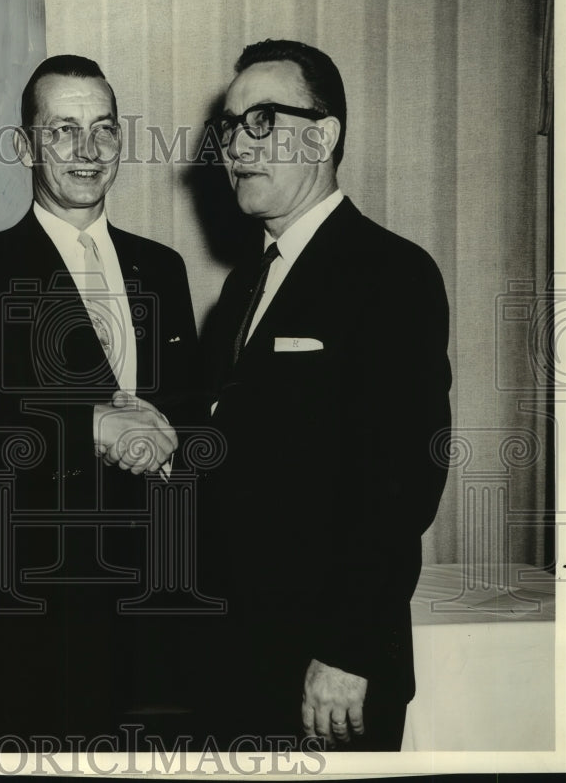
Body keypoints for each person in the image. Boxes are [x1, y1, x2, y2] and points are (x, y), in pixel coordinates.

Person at [0, 55, 200, 741]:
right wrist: (86, 426)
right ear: (25, 145)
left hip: (155, 603)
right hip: (29, 610)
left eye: (104, 130)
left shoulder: (163, 268)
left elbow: (190, 414)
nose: (88, 151)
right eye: (63, 131)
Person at [197, 39, 451, 751]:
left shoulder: (391, 275)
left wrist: (347, 651)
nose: (235, 146)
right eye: (228, 125)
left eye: (261, 120)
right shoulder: (246, 283)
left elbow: (402, 484)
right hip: (238, 651)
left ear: (324, 134)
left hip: (328, 670)